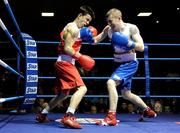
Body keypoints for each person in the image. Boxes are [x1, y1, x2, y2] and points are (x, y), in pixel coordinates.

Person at [35, 5, 97, 129]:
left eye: (89, 21)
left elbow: (94, 40)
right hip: (65, 63)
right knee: (82, 89)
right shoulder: (72, 28)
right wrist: (81, 57)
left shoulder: (77, 30)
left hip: (64, 63)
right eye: (86, 19)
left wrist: (106, 32)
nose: (87, 23)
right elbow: (67, 48)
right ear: (80, 15)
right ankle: (68, 116)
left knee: (63, 94)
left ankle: (42, 115)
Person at [93, 8, 157, 126]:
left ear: (119, 18)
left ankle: (111, 116)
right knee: (126, 94)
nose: (109, 24)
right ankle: (147, 110)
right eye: (108, 22)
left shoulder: (131, 28)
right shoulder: (109, 29)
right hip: (118, 63)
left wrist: (128, 43)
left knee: (110, 83)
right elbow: (97, 39)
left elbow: (142, 47)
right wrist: (87, 37)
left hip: (129, 63)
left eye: (111, 21)